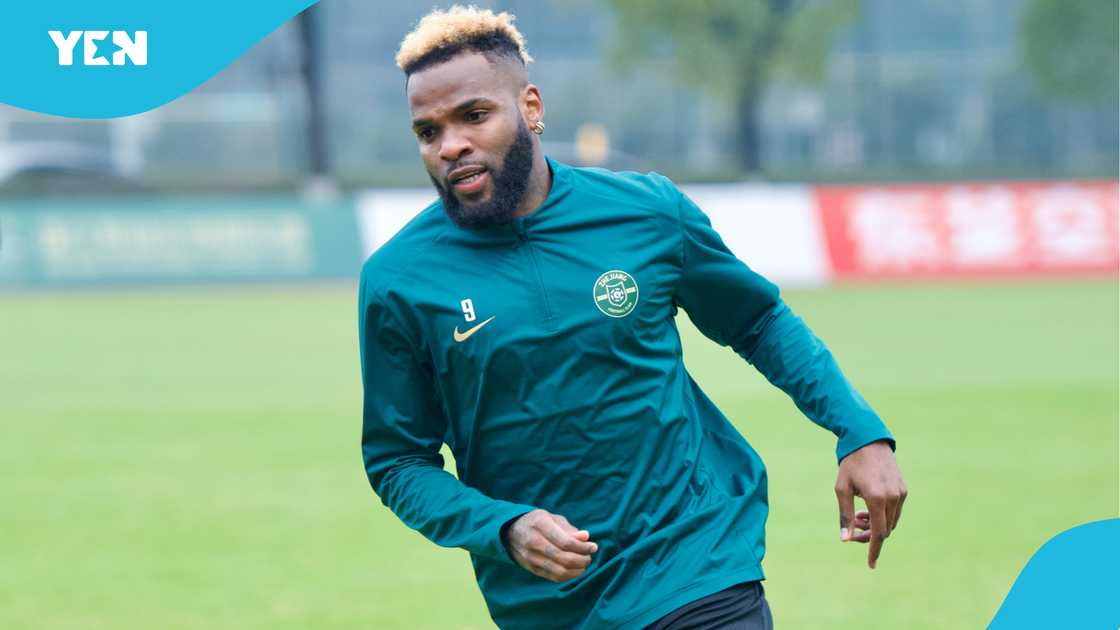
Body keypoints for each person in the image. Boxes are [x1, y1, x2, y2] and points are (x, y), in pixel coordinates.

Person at [358, 6, 907, 629]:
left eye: (474, 116)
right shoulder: (398, 280)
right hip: (548, 605)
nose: (451, 145)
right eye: (428, 132)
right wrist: (502, 527)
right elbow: (398, 461)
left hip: (696, 565)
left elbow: (758, 322)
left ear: (530, 108)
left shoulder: (647, 215)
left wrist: (859, 429)